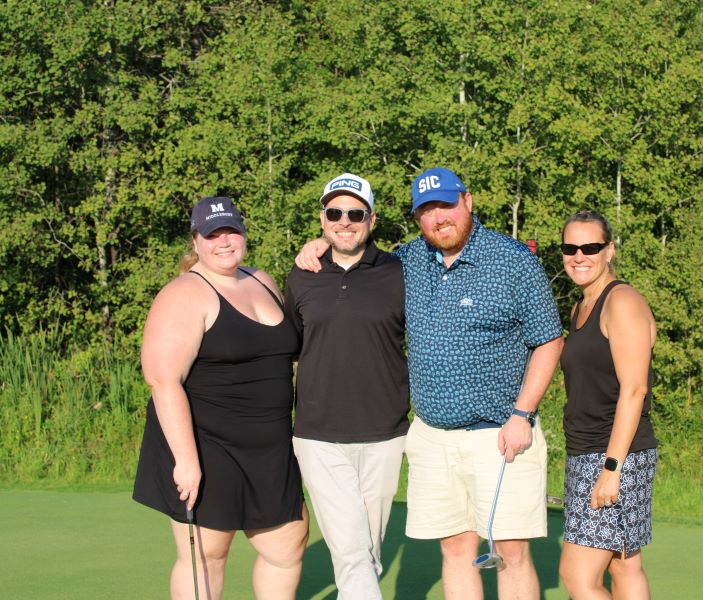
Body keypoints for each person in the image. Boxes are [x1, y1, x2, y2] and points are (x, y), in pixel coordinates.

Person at [298, 167, 563, 600]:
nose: (439, 217)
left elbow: (549, 341)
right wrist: (322, 242)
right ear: (417, 217)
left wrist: (523, 414)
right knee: (456, 549)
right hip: (432, 436)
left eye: (446, 205)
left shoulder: (514, 260)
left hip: (500, 433)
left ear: (468, 202)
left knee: (510, 551)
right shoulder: (406, 260)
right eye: (426, 210)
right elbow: (354, 249)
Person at [133, 196, 308, 600]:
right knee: (207, 555)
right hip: (207, 446)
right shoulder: (184, 293)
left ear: (243, 233)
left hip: (270, 448)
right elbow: (163, 380)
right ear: (196, 241)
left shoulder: (261, 279)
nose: (223, 241)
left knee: (287, 547)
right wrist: (186, 461)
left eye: (230, 230)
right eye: (212, 234)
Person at [284, 173, 409, 599]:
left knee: (367, 550)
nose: (344, 221)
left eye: (355, 213)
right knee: (352, 550)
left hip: (386, 434)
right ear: (322, 219)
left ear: (371, 220)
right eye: (334, 212)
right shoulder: (301, 276)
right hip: (318, 435)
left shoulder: (400, 271)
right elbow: (287, 350)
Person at [557, 210, 658, 600]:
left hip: (615, 454)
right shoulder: (581, 307)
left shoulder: (622, 301)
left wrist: (611, 469)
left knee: (578, 577)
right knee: (624, 563)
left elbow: (635, 390)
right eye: (570, 247)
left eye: (590, 247)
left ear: (609, 250)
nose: (579, 256)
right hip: (588, 451)